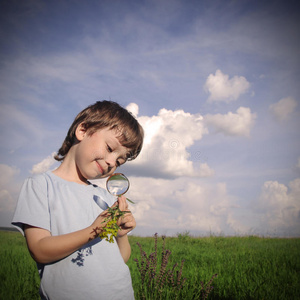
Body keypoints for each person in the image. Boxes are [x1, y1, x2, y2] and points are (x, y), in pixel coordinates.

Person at [12, 100, 144, 300]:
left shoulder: (105, 197)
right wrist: (94, 230)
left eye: (119, 161)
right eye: (110, 148)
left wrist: (121, 234)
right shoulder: (41, 185)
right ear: (82, 130)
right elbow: (40, 250)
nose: (111, 163)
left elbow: (120, 259)